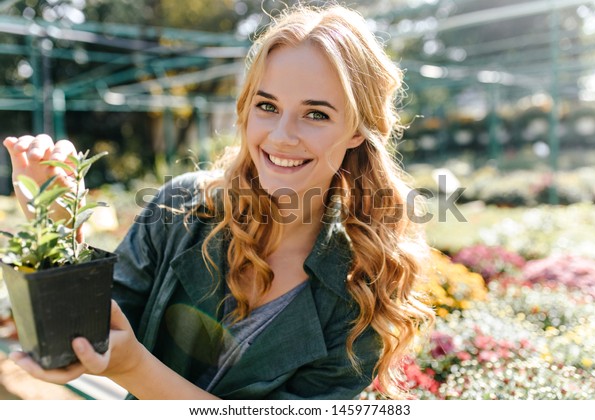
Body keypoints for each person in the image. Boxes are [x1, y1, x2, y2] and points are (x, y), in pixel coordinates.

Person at [2, 3, 433, 399]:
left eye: (316, 114)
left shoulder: (368, 285)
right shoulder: (180, 209)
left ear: (358, 129)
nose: (282, 135)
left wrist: (134, 368)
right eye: (268, 105)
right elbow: (91, 332)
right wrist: (58, 224)